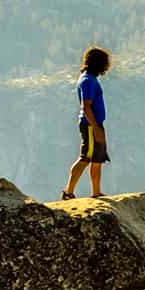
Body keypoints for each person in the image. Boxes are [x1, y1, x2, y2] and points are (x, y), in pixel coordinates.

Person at [61, 47, 113, 200]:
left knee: (97, 159)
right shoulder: (88, 81)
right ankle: (68, 192)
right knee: (85, 158)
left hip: (95, 124)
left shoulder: (90, 79)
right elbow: (86, 106)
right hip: (91, 125)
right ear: (99, 64)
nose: (107, 67)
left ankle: (96, 192)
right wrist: (96, 128)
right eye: (105, 63)